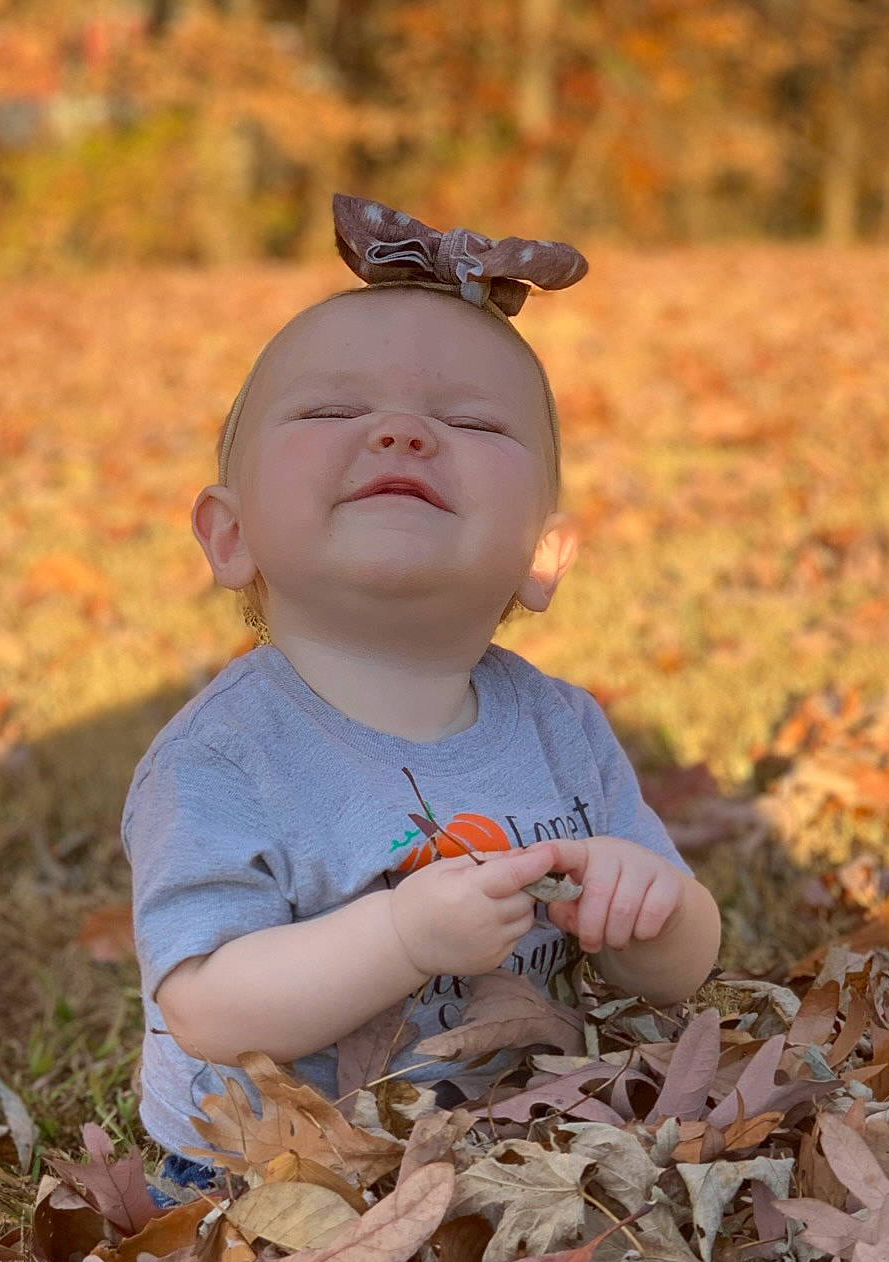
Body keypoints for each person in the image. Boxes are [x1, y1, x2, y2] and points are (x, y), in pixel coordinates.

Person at [123, 196, 721, 1201]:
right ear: (230, 536)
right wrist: (401, 939)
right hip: (279, 1165)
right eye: (332, 411)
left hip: (521, 1140)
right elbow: (206, 1006)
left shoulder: (561, 726)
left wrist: (648, 904)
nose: (401, 432)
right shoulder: (223, 757)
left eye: (470, 420)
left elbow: (684, 963)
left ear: (542, 557)